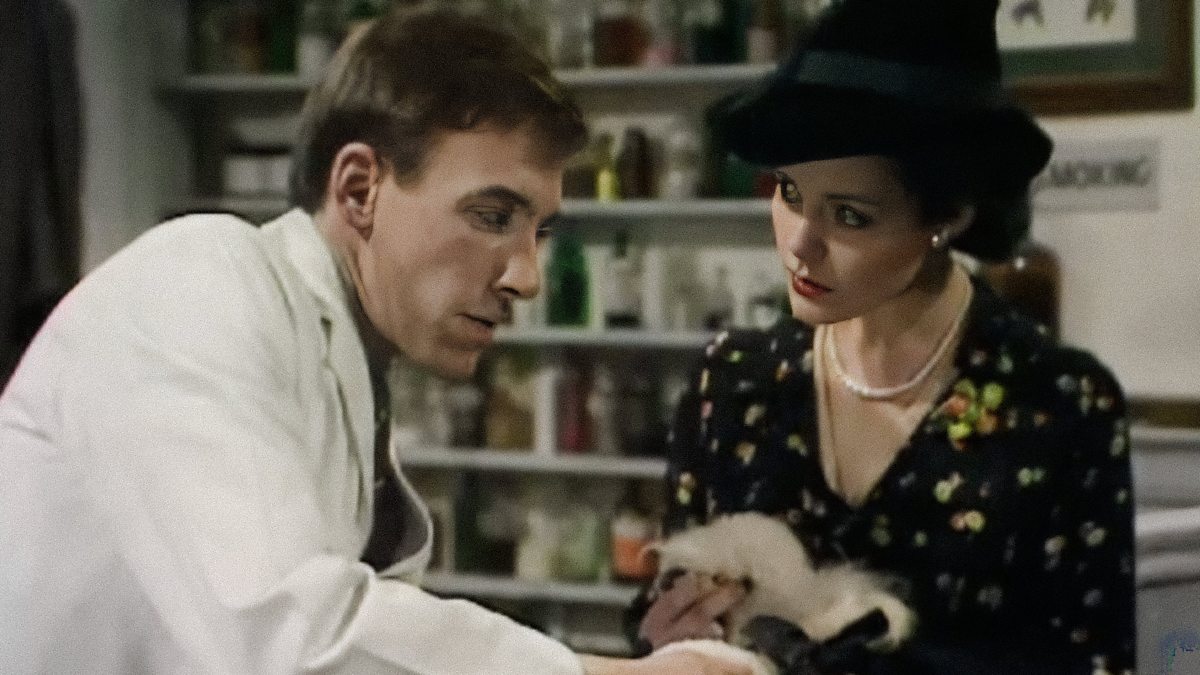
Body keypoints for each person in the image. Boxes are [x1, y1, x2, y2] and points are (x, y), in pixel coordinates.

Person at [0, 7, 755, 675]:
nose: (526, 276)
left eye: (539, 231)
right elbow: (287, 639)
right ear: (360, 189)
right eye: (493, 216)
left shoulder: (348, 368)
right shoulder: (197, 281)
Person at [632, 0, 1135, 673]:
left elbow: (1097, 661)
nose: (800, 244)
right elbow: (663, 618)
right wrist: (670, 634)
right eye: (788, 192)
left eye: (849, 215)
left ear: (949, 216)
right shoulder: (734, 381)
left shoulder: (1055, 402)